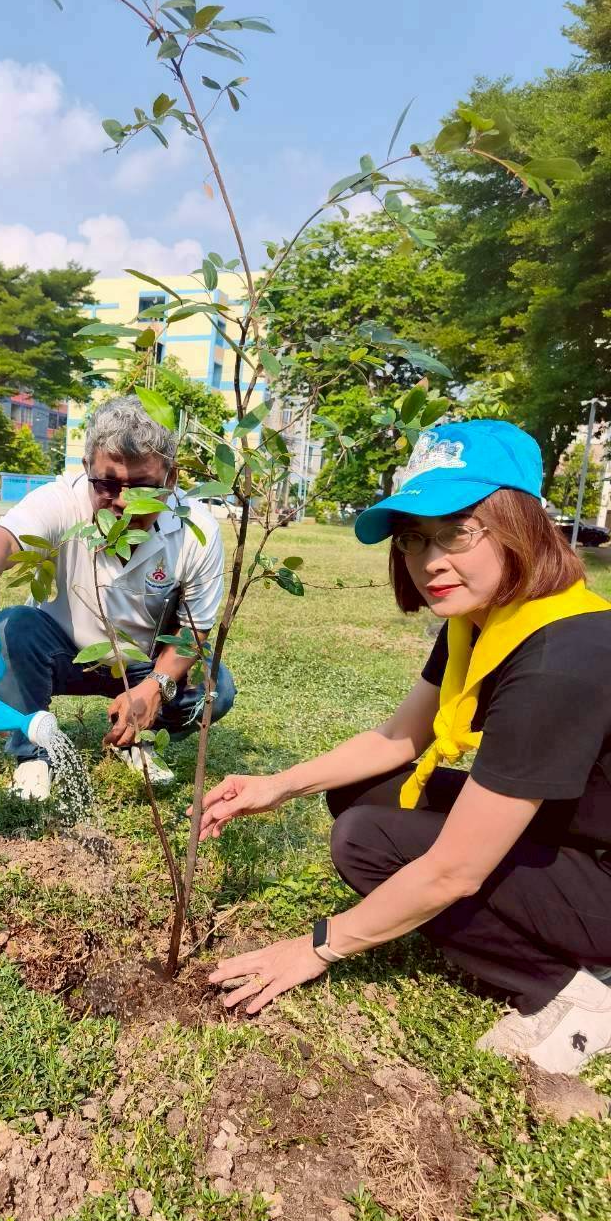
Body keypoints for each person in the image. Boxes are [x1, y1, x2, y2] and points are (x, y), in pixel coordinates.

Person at [202, 420, 611, 1076]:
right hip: (572, 834)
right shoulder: (486, 619)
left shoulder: (558, 659)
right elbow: (399, 739)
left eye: (457, 531)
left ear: (521, 525)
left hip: (602, 875)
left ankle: (567, 989)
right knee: (364, 793)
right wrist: (276, 785)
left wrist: (315, 948)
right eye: (414, 539)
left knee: (367, 839)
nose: (430, 560)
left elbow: (456, 870)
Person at [0, 396, 236, 800]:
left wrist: (155, 686)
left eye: (143, 487)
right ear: (87, 470)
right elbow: (1, 540)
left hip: (141, 664)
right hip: (62, 654)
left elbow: (194, 630)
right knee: (13, 627)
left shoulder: (196, 527)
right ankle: (33, 754)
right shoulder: (64, 499)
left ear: (170, 479)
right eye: (108, 484)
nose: (123, 502)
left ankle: (133, 739)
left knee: (214, 689)